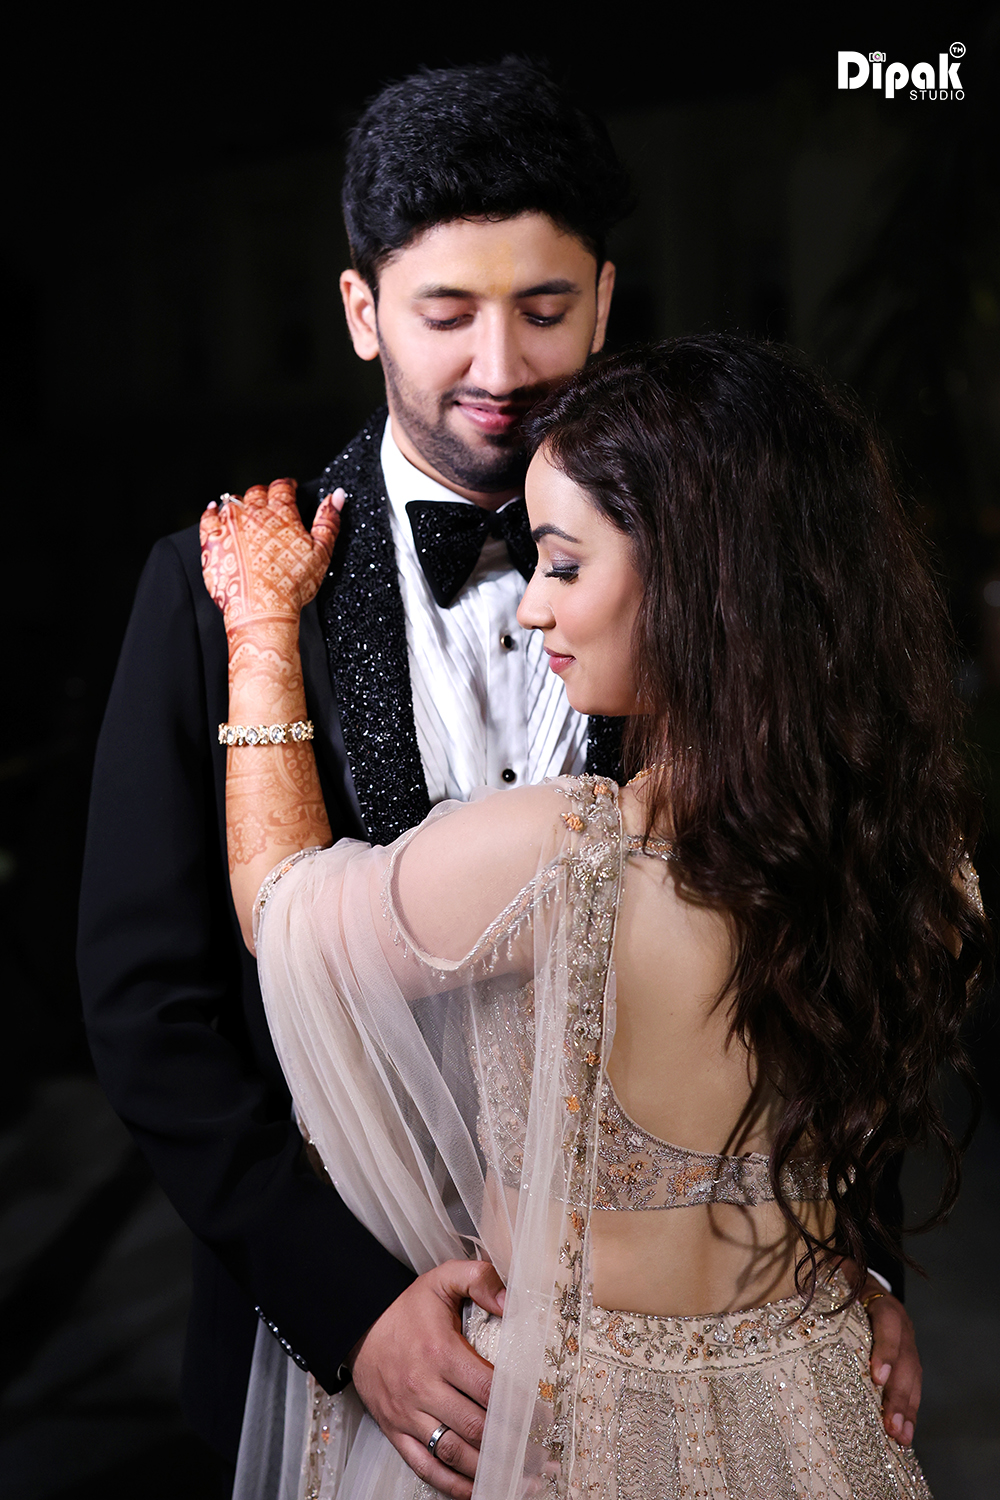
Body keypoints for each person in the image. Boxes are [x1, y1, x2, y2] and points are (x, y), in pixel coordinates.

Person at [77, 60, 921, 1500]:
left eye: (542, 309)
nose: (501, 365)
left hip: (687, 1347)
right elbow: (149, 1008)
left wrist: (859, 1252)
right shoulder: (213, 594)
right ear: (363, 312)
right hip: (347, 1345)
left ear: (605, 296)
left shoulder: (736, 580)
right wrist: (349, 1311)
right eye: (445, 313)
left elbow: (830, 911)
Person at [201, 334, 986, 1498]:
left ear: (701, 581)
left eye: (564, 566)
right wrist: (865, 1284)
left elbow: (280, 913)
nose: (531, 608)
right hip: (819, 1413)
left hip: (565, 1439)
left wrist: (261, 634)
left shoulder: (562, 856)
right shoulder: (926, 868)